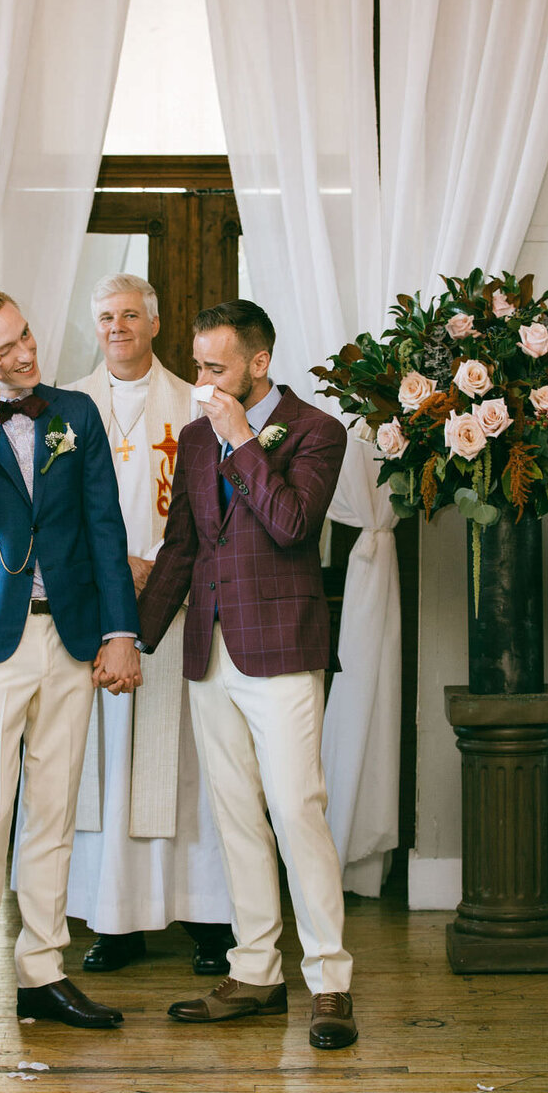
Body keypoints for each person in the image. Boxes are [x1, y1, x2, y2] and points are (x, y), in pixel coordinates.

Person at [136, 300, 358, 1050]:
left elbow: (293, 524)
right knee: (235, 818)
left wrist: (241, 440)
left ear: (259, 364)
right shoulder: (194, 440)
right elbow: (181, 549)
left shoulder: (318, 431)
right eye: (199, 365)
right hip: (209, 650)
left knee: (297, 811)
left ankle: (329, 981)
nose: (201, 381)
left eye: (214, 367)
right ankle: (256, 971)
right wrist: (135, 639)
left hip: (283, 649)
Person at [0, 285, 142, 1051]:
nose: (24, 352)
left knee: (52, 810)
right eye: (3, 345)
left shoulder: (75, 414)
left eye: (24, 334)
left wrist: (121, 631)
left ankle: (42, 970)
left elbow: (104, 527)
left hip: (73, 635)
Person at [65, 273, 233, 974]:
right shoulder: (67, 407)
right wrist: (112, 570)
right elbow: (51, 508)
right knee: (106, 766)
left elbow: (215, 506)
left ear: (155, 323)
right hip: (97, 611)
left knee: (186, 765)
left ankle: (206, 920)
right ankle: (116, 922)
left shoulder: (195, 403)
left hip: (177, 605)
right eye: (105, 316)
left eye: (130, 314)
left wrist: (155, 569)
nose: (117, 327)